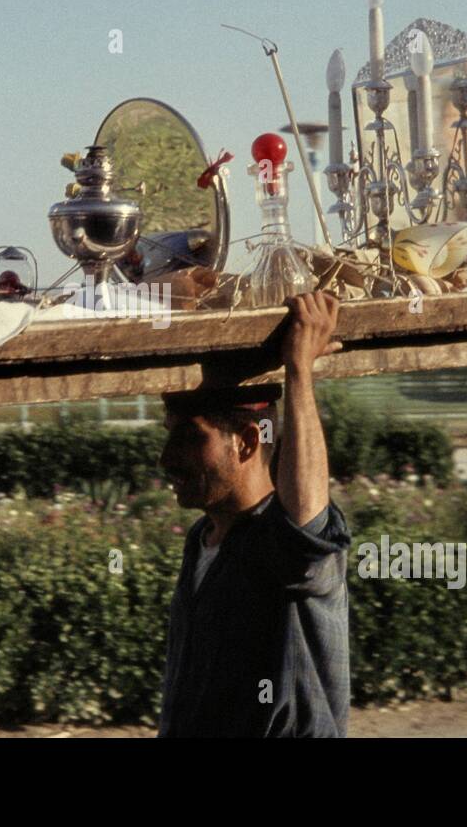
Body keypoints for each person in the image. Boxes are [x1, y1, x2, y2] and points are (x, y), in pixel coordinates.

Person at [156, 291, 351, 737]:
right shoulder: (203, 540)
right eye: (168, 437)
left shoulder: (281, 546)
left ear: (245, 442)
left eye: (189, 438)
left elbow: (306, 527)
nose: (166, 458)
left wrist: (299, 370)